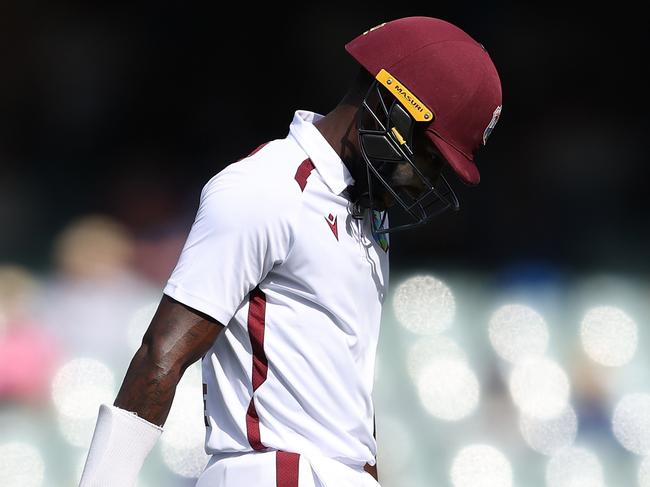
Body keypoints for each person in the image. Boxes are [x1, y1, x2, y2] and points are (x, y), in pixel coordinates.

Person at [79, 16, 502, 487]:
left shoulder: (367, 217)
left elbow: (348, 402)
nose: (422, 180)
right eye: (426, 154)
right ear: (388, 105)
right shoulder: (266, 187)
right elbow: (163, 353)